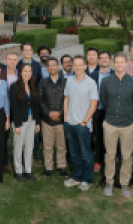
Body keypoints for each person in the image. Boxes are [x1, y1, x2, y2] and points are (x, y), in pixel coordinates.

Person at [100, 52, 133, 198]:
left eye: (121, 62)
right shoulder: (105, 81)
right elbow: (104, 101)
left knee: (126, 156)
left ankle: (125, 183)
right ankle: (109, 182)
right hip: (110, 123)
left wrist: (127, 114)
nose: (119, 65)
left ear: (126, 63)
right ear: (113, 63)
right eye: (116, 62)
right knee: (110, 155)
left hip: (127, 124)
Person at [63, 55, 98, 191]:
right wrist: (65, 118)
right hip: (69, 124)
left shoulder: (91, 83)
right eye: (75, 64)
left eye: (80, 64)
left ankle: (87, 179)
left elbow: (93, 104)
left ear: (85, 66)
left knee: (86, 154)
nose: (77, 67)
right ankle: (76, 177)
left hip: (82, 125)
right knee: (74, 153)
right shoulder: (69, 81)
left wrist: (84, 122)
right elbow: (66, 99)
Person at [37, 57, 68, 178]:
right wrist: (49, 113)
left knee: (61, 146)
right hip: (47, 120)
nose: (52, 68)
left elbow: (68, 100)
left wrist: (60, 112)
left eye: (54, 65)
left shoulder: (66, 82)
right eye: (49, 66)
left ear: (58, 66)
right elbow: (39, 100)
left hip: (61, 120)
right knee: (47, 145)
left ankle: (61, 166)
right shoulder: (43, 82)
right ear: (46, 68)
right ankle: (48, 167)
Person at [10, 63, 40, 182]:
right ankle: (18, 170)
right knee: (18, 146)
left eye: (29, 71)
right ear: (20, 72)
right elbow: (14, 106)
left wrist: (37, 122)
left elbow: (35, 105)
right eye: (25, 71)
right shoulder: (14, 86)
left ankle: (28, 170)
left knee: (29, 146)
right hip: (20, 121)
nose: (27, 74)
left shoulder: (33, 86)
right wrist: (17, 124)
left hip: (31, 120)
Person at [90, 50, 115, 172]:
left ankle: (110, 160)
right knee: (98, 136)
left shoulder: (115, 74)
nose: (104, 60)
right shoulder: (93, 75)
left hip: (111, 112)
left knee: (111, 137)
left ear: (109, 60)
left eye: (106, 58)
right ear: (99, 60)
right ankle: (98, 160)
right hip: (97, 111)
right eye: (102, 58)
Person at [0, 52, 19, 172]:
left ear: (17, 61)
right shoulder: (0, 74)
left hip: (17, 109)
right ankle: (3, 162)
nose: (12, 61)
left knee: (19, 136)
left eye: (14, 59)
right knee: (4, 137)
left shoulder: (21, 75)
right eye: (10, 59)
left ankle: (19, 161)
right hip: (3, 110)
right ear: (5, 60)